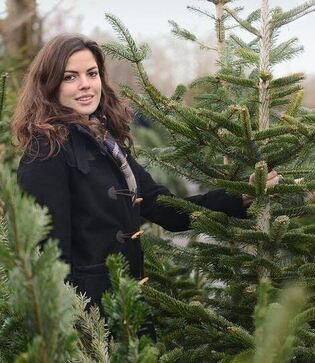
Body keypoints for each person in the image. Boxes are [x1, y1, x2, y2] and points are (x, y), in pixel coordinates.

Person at [11, 34, 278, 307]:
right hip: (89, 317)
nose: (85, 85)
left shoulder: (108, 145)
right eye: (70, 77)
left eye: (91, 74)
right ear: (50, 85)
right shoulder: (46, 152)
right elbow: (47, 256)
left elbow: (166, 209)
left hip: (129, 306)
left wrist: (239, 197)